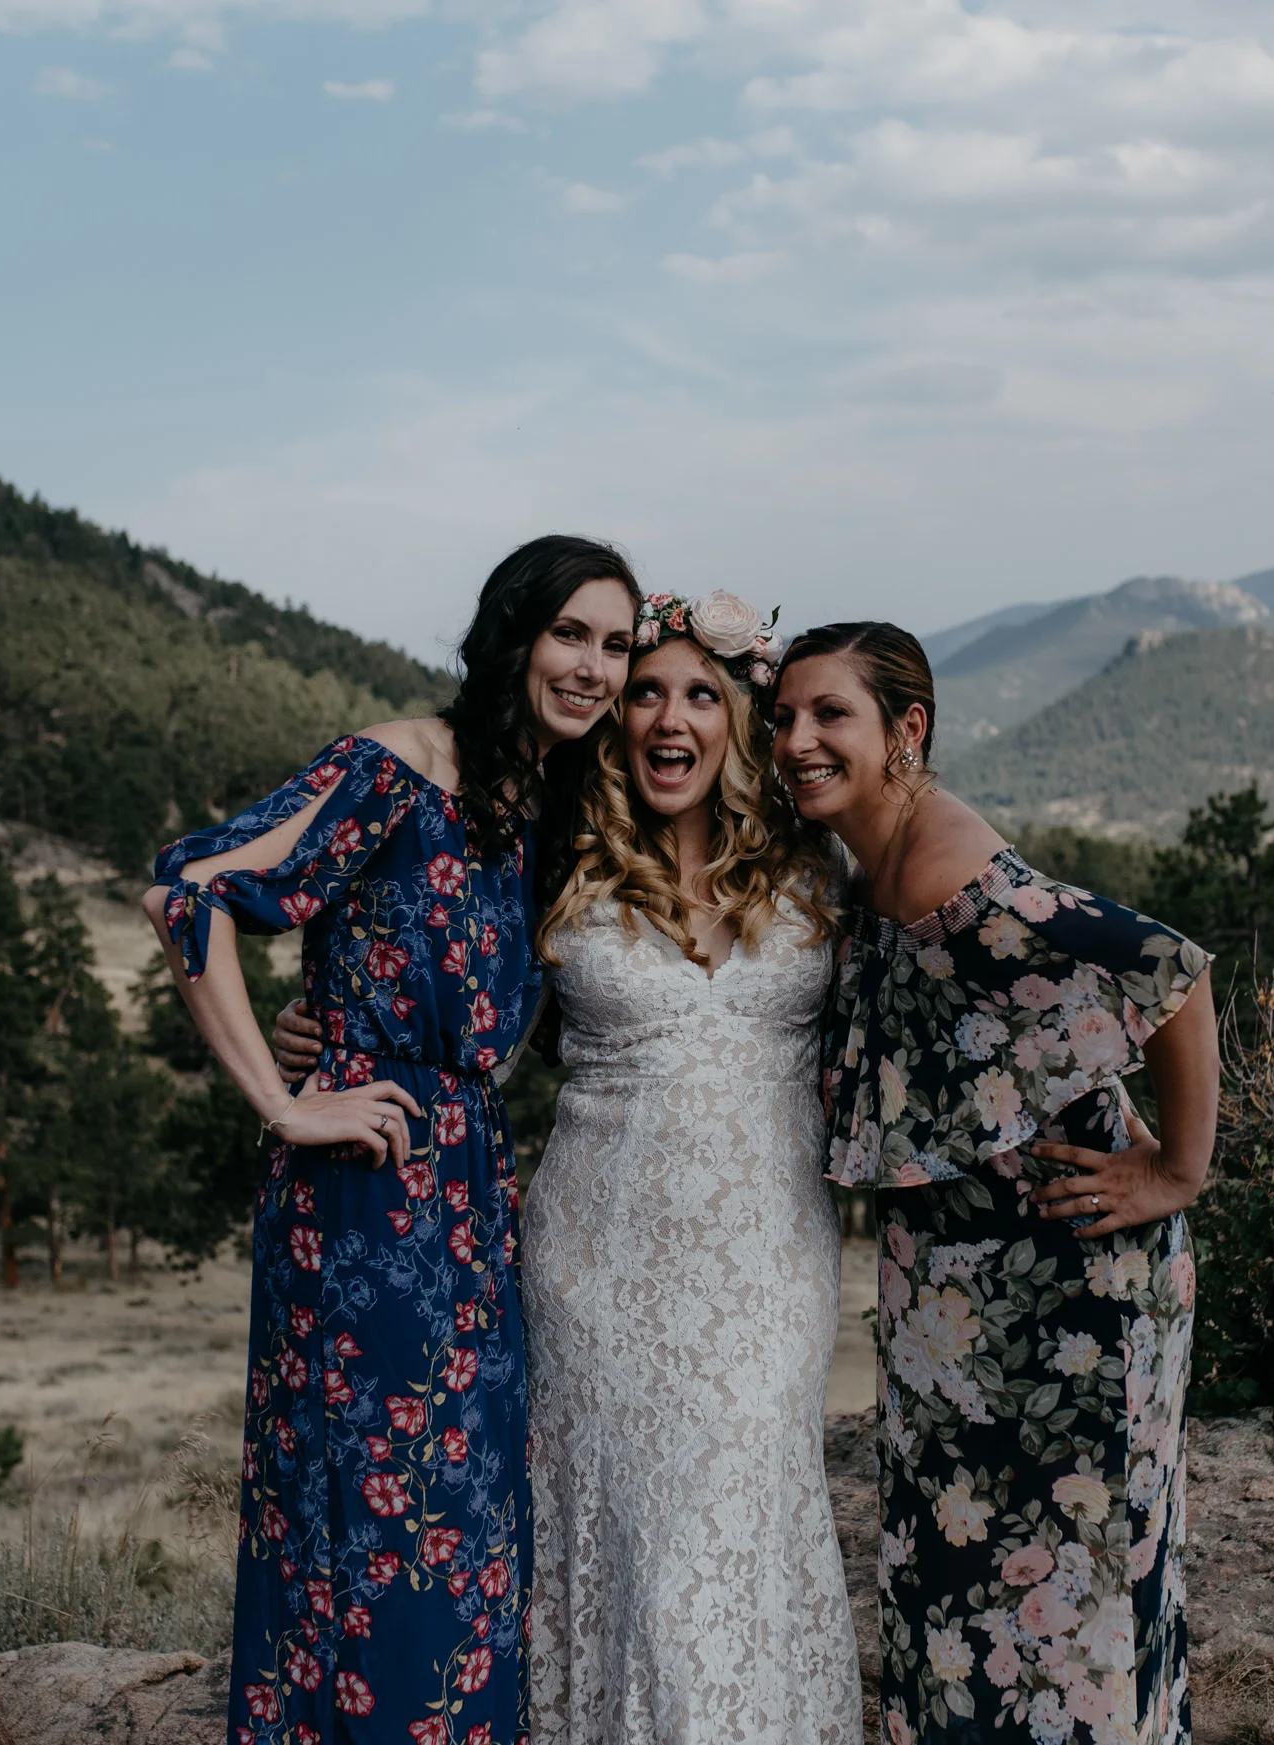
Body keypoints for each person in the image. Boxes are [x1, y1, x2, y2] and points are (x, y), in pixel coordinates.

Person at [276, 588, 862, 1743]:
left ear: (740, 718)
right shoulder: (556, 858)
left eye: (701, 694)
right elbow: (438, 977)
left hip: (769, 1263)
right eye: (644, 693)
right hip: (596, 1264)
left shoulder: (821, 863)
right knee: (627, 1541)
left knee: (733, 1518)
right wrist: (331, 1034)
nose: (669, 717)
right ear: (615, 719)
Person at [141, 535, 638, 1745]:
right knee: (372, 1514)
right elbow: (186, 890)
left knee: (464, 1511)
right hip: (364, 1189)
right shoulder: (393, 768)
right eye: (570, 633)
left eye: (617, 644)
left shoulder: (542, 800)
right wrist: (281, 1097)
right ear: (512, 635)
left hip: (470, 1186)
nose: (593, 666)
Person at [769, 623, 1219, 1745]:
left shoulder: (946, 874)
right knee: (960, 1577)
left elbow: (1168, 970)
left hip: (1070, 1274)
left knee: (1076, 1590)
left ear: (906, 729)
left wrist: (1178, 1167)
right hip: (964, 1284)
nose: (796, 738)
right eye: (782, 716)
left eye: (830, 713)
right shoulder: (865, 857)